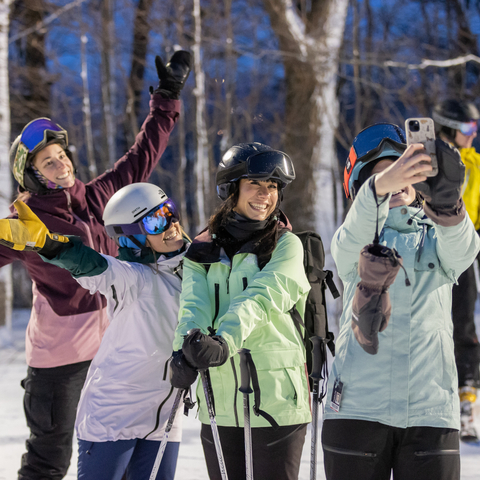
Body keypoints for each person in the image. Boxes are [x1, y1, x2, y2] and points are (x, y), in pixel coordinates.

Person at [1, 50, 191, 480]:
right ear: (30, 174)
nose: (61, 163)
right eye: (47, 161)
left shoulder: (97, 196)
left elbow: (142, 156)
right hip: (61, 358)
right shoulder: (25, 222)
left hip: (117, 350)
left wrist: (167, 97)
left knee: (125, 451)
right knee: (50, 458)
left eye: (61, 155)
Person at [321, 123, 480, 480]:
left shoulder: (438, 236)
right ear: (362, 186)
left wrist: (448, 204)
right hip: (356, 410)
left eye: (403, 172)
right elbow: (350, 241)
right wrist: (379, 189)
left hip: (431, 411)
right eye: (383, 175)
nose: (396, 181)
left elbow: (465, 251)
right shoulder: (354, 239)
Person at [0, 182, 190, 480]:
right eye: (155, 220)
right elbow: (90, 264)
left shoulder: (195, 270)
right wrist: (47, 243)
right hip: (113, 418)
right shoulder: (131, 278)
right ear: (133, 237)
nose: (171, 225)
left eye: (170, 212)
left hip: (165, 416)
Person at [170, 143, 311, 480]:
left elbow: (262, 298)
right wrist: (185, 350)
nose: (265, 195)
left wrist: (224, 341)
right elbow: (193, 305)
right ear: (232, 190)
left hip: (276, 402)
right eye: (255, 184)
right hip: (219, 400)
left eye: (273, 186)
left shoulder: (286, 245)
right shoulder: (202, 249)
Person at [433, 99, 480, 442]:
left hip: (466, 248)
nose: (473, 135)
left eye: (475, 129)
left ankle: (467, 401)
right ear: (449, 127)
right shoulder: (427, 158)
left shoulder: (476, 162)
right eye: (468, 129)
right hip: (428, 248)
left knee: (463, 324)